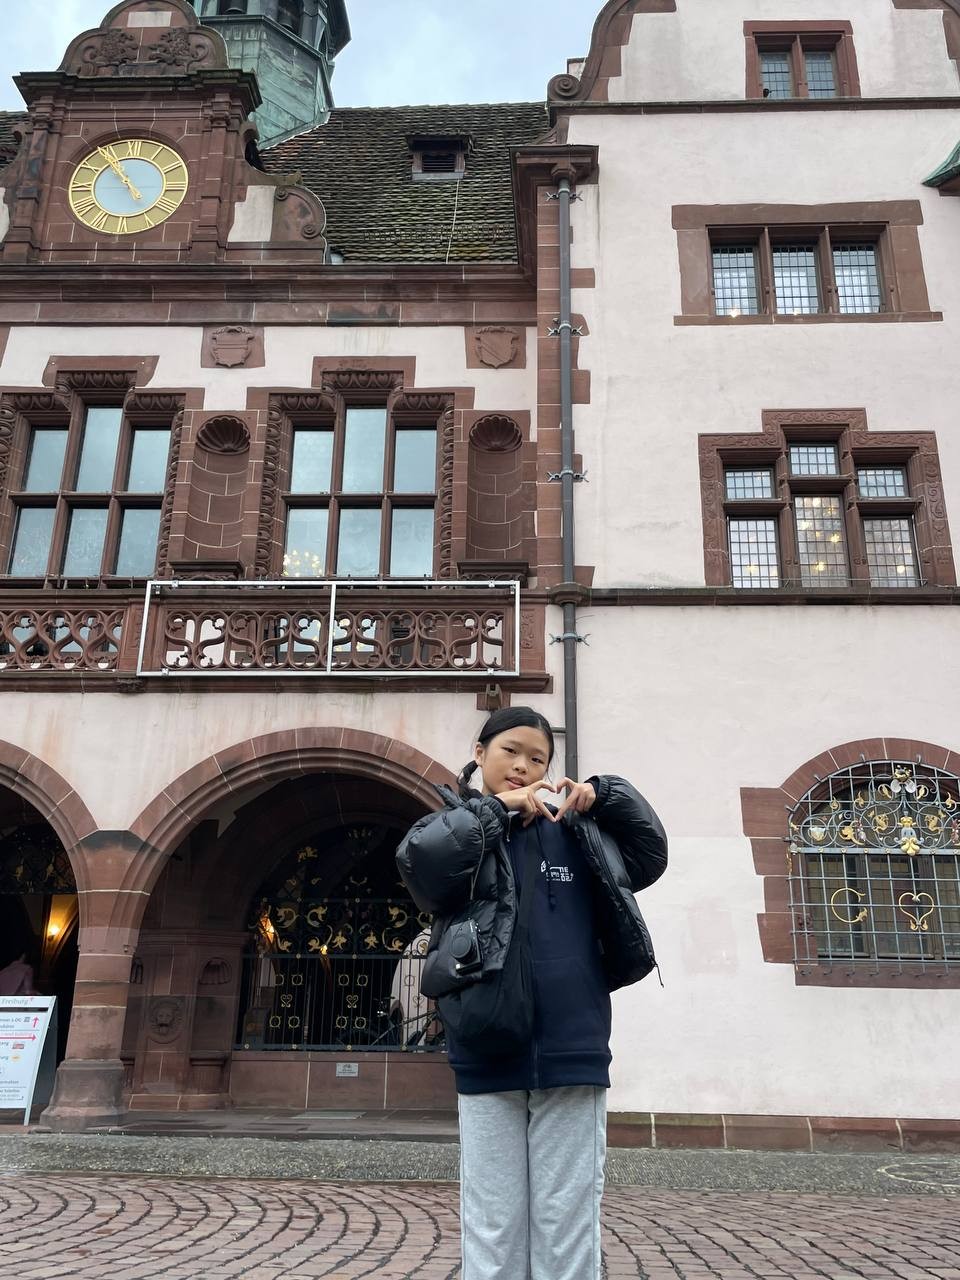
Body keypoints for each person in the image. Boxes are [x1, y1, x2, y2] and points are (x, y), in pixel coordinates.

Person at [396, 706, 667, 1280]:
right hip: (486, 1041)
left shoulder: (576, 831)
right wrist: (497, 811)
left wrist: (606, 794)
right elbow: (421, 863)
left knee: (567, 1217)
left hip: (573, 1041)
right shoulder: (459, 828)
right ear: (480, 754)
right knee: (492, 1220)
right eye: (510, 751)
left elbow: (649, 855)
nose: (523, 766)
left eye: (538, 758)